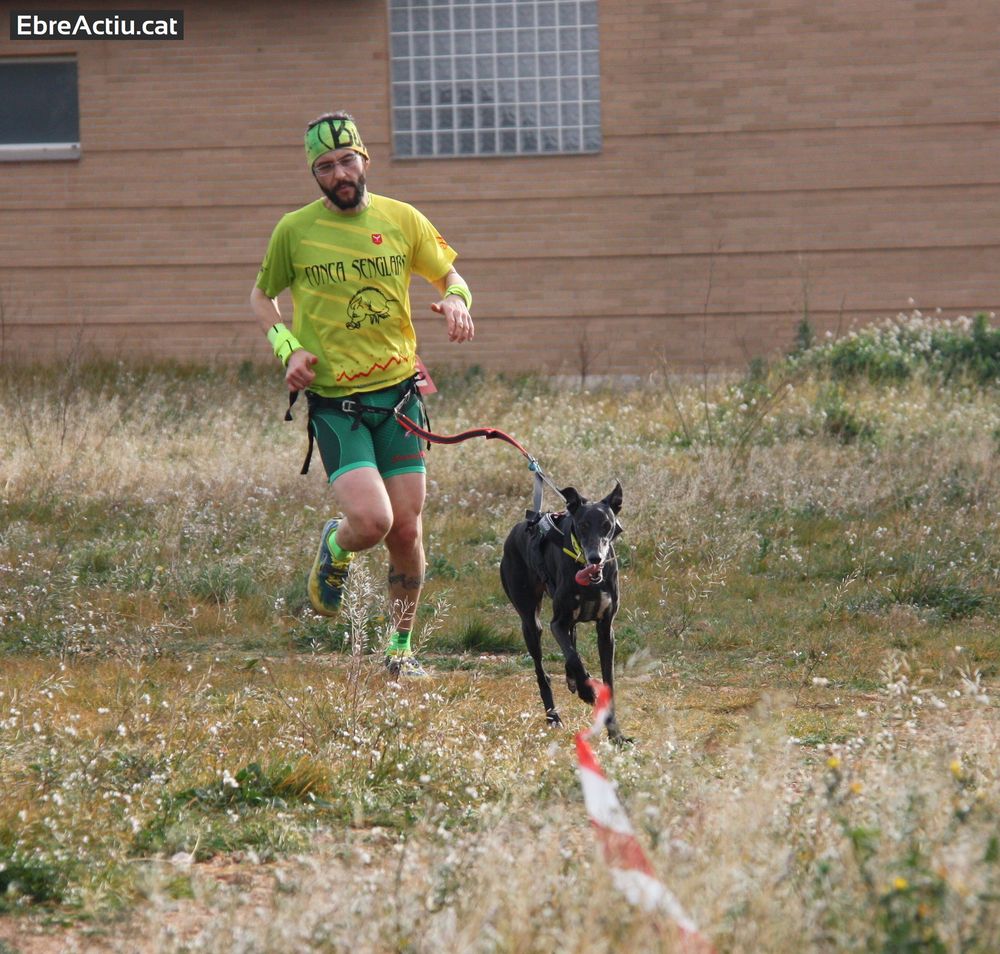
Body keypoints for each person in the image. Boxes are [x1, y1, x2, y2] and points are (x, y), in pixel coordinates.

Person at [250, 111, 474, 677]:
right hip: (337, 405)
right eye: (324, 166)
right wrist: (288, 348)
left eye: (347, 160)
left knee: (406, 529)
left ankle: (399, 651)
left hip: (399, 400)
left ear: (364, 159)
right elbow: (261, 297)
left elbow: (451, 276)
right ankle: (337, 545)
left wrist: (457, 301)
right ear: (314, 174)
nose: (339, 174)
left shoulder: (402, 219)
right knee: (372, 522)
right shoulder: (294, 230)